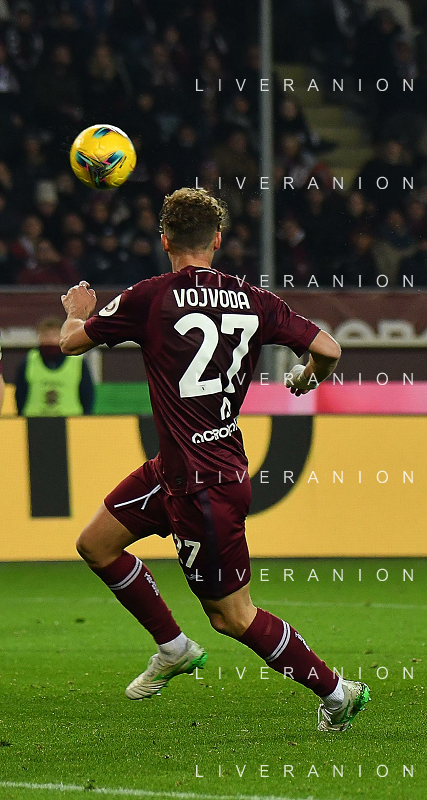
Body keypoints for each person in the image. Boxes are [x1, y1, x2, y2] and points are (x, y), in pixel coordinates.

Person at [59, 187, 369, 732]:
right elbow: (329, 349)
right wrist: (305, 377)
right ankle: (173, 647)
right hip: (182, 469)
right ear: (218, 240)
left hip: (203, 486)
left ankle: (336, 691)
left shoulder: (149, 297)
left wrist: (77, 313)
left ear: (164, 240)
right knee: (96, 544)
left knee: (233, 616)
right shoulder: (254, 299)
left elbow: (71, 344)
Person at [16, 316, 94, 416]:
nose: (50, 339)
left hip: (72, 420)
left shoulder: (78, 362)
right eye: (46, 335)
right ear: (39, 337)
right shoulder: (29, 361)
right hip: (34, 419)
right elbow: (20, 393)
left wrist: (86, 418)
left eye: (54, 335)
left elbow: (87, 393)